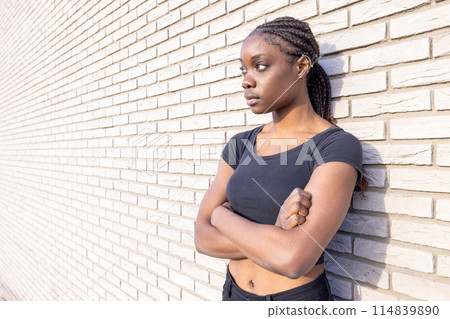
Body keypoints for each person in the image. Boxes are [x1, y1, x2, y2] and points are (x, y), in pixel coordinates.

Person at [194, 16, 367, 301]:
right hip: (232, 295)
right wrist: (274, 235)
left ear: (301, 67)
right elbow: (202, 238)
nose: (246, 81)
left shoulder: (336, 146)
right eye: (244, 69)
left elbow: (293, 259)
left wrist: (220, 215)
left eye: (260, 66)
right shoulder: (241, 144)